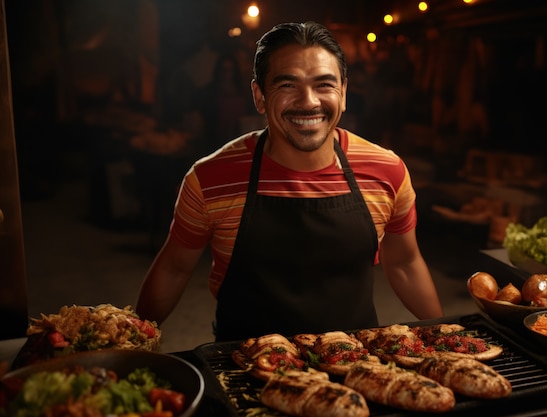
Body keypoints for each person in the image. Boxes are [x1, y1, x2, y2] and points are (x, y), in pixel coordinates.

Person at [136, 21, 443, 342]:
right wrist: (131, 345)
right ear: (259, 95)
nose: (308, 101)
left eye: (324, 84)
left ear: (344, 92)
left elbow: (405, 263)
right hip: (244, 366)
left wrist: (450, 336)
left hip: (355, 365)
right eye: (287, 85)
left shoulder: (386, 170)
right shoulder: (210, 178)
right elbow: (174, 269)